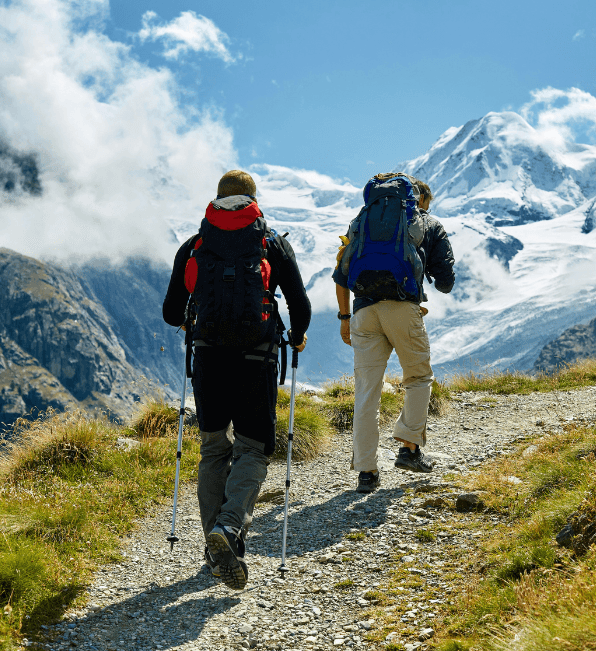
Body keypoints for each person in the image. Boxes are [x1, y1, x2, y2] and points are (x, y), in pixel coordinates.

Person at [162, 169, 311, 589]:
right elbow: (300, 304)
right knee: (252, 448)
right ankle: (228, 529)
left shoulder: (195, 245)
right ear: (253, 199)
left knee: (213, 449)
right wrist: (296, 337)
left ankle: (216, 545)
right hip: (255, 358)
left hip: (209, 359)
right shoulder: (270, 243)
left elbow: (172, 313)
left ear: (217, 200)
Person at [333, 174, 455, 493]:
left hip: (362, 310)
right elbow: (446, 280)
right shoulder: (424, 220)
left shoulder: (361, 221)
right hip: (402, 307)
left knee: (366, 391)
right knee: (417, 376)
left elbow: (341, 272)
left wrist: (345, 317)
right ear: (419, 198)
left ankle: (366, 472)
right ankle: (409, 449)